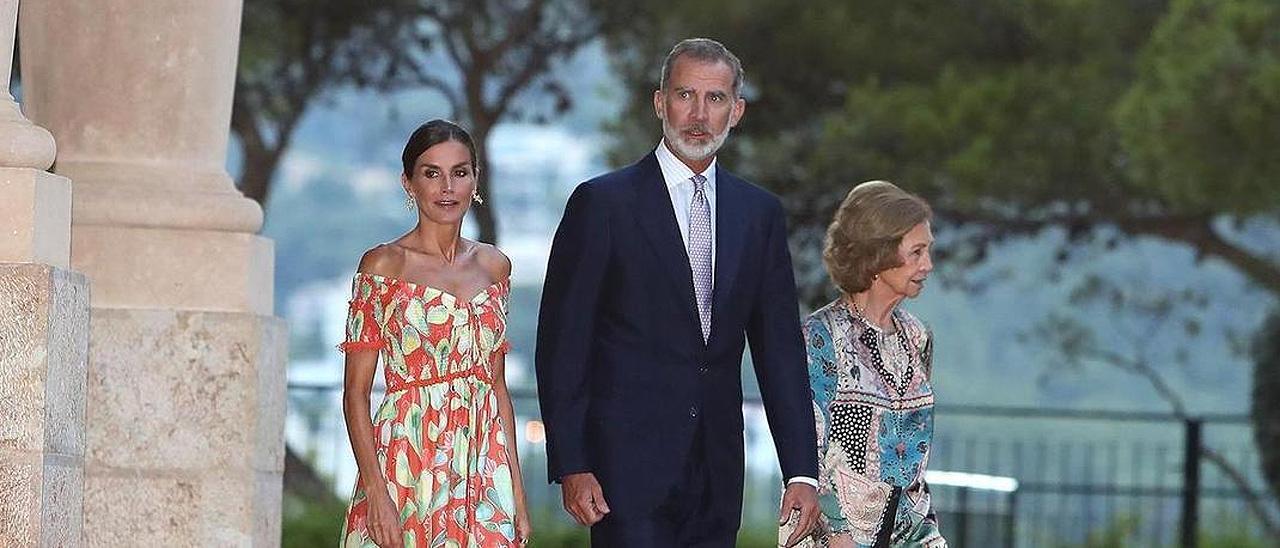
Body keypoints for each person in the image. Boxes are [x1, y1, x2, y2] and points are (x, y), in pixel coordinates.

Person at [535, 38, 820, 547]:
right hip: (623, 471)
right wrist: (572, 462)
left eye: (715, 99)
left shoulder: (759, 215)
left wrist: (801, 470)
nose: (698, 114)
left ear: (737, 111)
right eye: (685, 94)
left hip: (717, 470)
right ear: (660, 102)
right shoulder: (602, 204)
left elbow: (779, 349)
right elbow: (563, 343)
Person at [338, 119, 531, 547]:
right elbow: (355, 393)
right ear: (409, 183)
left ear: (475, 180)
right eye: (432, 173)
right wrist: (376, 492)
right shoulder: (383, 266)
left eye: (459, 172)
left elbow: (496, 386)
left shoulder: (495, 267)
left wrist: (515, 489)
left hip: (482, 465)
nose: (447, 187)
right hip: (407, 462)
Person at [790, 181, 946, 547]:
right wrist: (838, 534)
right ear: (878, 255)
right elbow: (806, 451)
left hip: (912, 534)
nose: (928, 265)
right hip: (836, 536)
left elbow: (914, 466)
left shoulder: (917, 336)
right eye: (917, 252)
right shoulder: (819, 337)